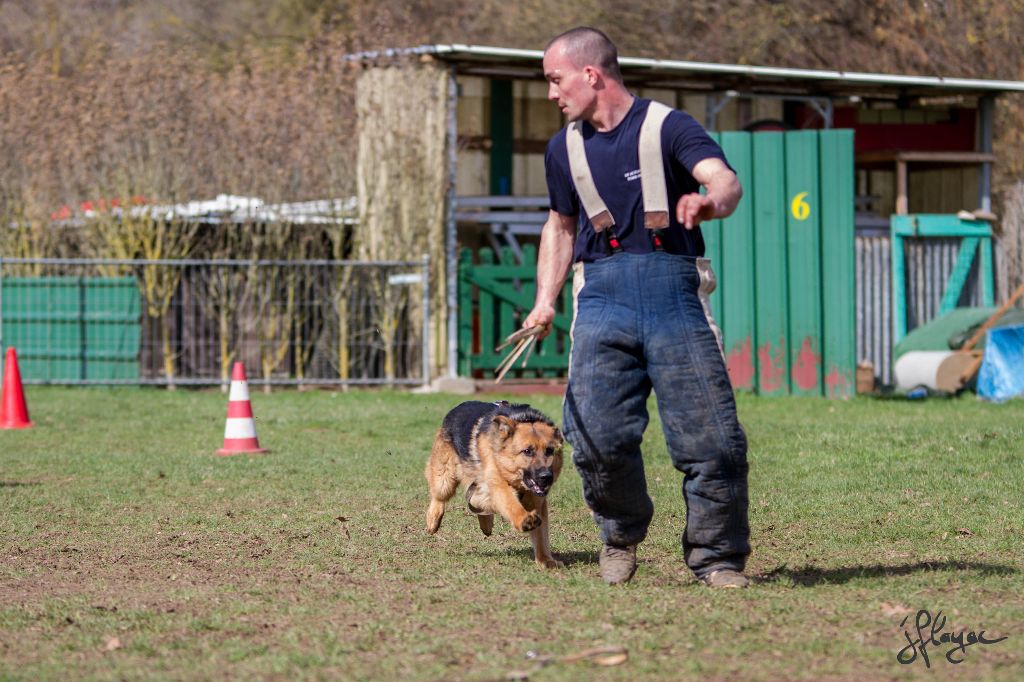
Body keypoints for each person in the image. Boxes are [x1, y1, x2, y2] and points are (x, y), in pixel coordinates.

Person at [522, 27, 750, 587]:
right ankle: (620, 535)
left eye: (556, 80)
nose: (552, 94)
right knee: (595, 436)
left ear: (591, 75)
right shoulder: (563, 148)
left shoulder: (668, 126)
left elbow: (725, 181)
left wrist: (709, 201)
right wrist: (544, 300)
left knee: (711, 441)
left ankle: (716, 558)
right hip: (600, 294)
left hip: (675, 289)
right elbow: (561, 226)